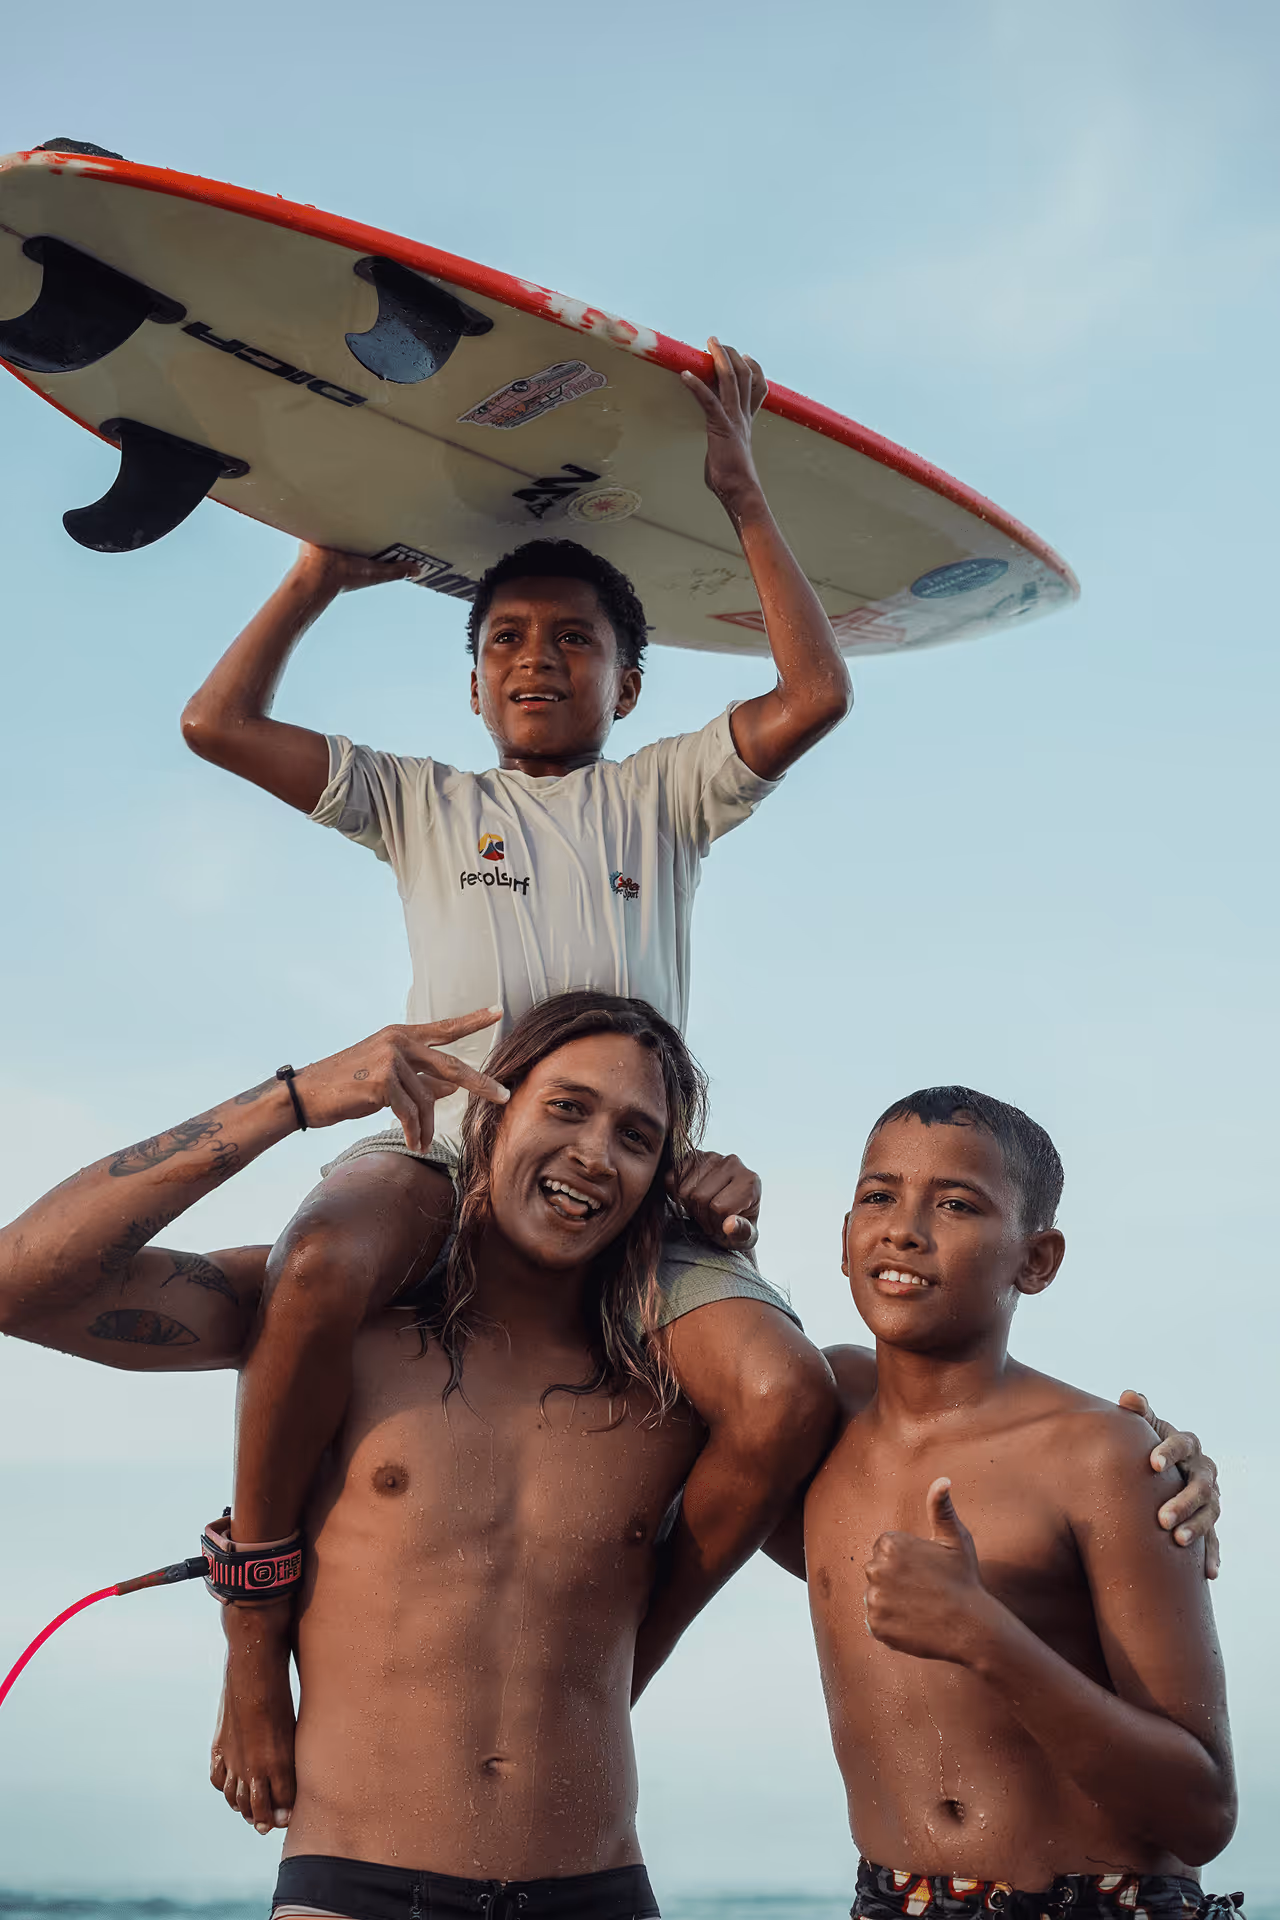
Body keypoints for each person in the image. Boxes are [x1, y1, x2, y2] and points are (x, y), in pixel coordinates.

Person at [177, 337, 854, 1817]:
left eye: (573, 642)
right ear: (474, 680)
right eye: (504, 641)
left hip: (627, 1171)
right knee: (310, 1271)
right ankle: (251, 1639)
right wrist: (314, 576)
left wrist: (740, 492)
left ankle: (614, 1661)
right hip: (439, 1148)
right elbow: (215, 725)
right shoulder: (421, 800)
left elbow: (814, 694)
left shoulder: (662, 793)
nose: (536, 660)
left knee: (785, 1395)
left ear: (629, 678)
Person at [0, 992, 756, 1920]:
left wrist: (723, 1242)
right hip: (357, 1884)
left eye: (636, 1138)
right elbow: (19, 1284)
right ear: (490, 1115)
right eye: (566, 1107)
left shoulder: (664, 1391)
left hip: (600, 1887)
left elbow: (804, 1422)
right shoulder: (340, 1326)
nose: (595, 1154)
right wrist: (290, 1100)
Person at [769, 1085, 1238, 1920]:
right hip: (891, 1900)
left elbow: (1202, 1814)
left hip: (1100, 1903)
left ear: (1038, 1260)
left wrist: (984, 1636)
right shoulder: (816, 1410)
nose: (905, 1229)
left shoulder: (1102, 1456)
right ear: (843, 1239)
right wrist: (705, 1225)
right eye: (878, 1196)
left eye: (956, 1204)